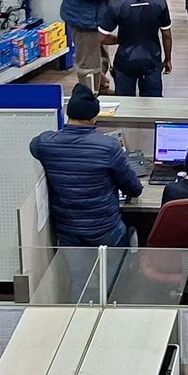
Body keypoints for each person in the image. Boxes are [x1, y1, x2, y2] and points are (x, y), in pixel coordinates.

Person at [30, 82, 144, 254]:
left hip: (68, 231)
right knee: (113, 276)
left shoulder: (45, 144)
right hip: (104, 229)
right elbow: (134, 189)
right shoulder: (109, 147)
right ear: (94, 116)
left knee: (79, 279)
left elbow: (34, 145)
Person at [100, 0, 173, 98]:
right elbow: (167, 34)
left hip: (125, 63)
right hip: (151, 62)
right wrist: (168, 59)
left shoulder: (118, 5)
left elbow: (100, 37)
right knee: (154, 104)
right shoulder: (159, 2)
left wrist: (120, 39)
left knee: (125, 104)